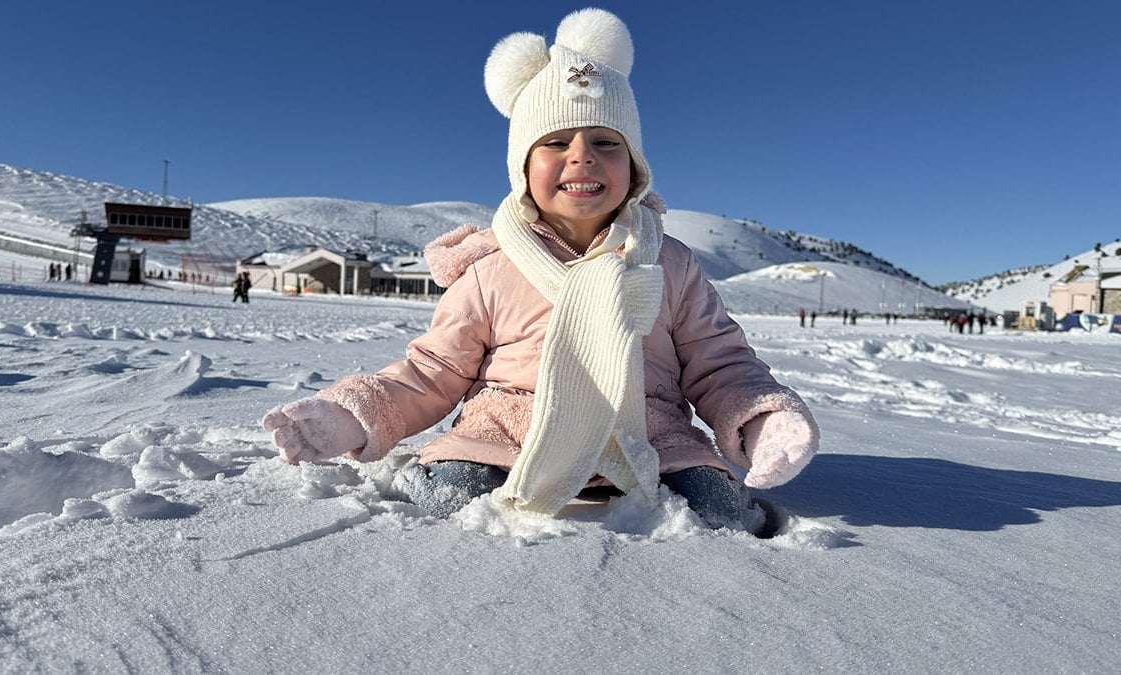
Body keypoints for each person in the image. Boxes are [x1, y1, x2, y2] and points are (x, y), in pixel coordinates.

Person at [261, 8, 819, 538]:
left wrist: (760, 420)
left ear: (636, 168)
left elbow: (719, 363)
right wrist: (352, 414)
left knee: (719, 510)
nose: (583, 157)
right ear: (523, 168)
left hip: (647, 432)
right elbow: (431, 372)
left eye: (606, 142)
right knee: (446, 495)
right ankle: (422, 472)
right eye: (556, 142)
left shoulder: (668, 262)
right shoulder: (491, 268)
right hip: (507, 431)